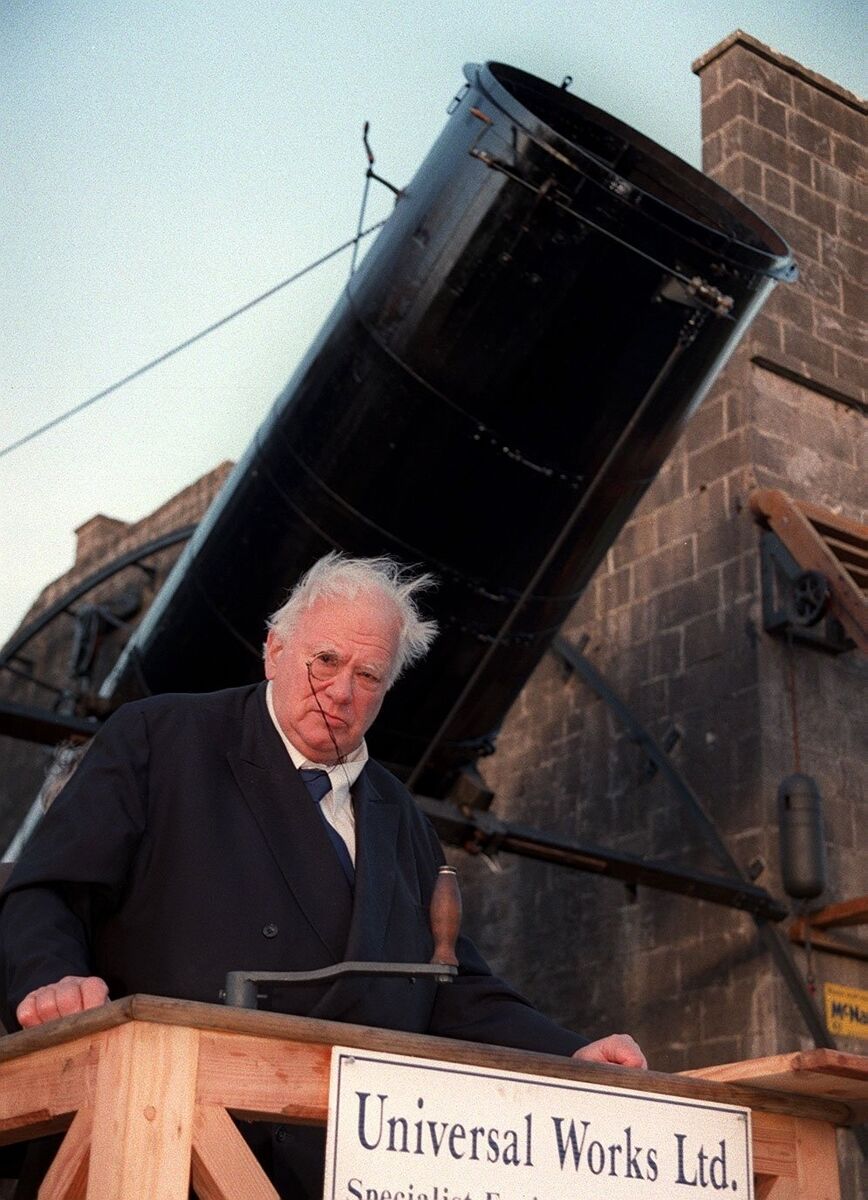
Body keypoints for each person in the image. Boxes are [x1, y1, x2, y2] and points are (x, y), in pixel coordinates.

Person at [0, 553, 645, 1198]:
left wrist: (568, 1053)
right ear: (274, 650)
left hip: (340, 1172)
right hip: (157, 1155)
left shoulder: (402, 818)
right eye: (326, 660)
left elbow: (447, 986)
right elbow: (48, 891)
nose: (340, 693)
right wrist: (50, 980)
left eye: (368, 675)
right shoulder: (160, 740)